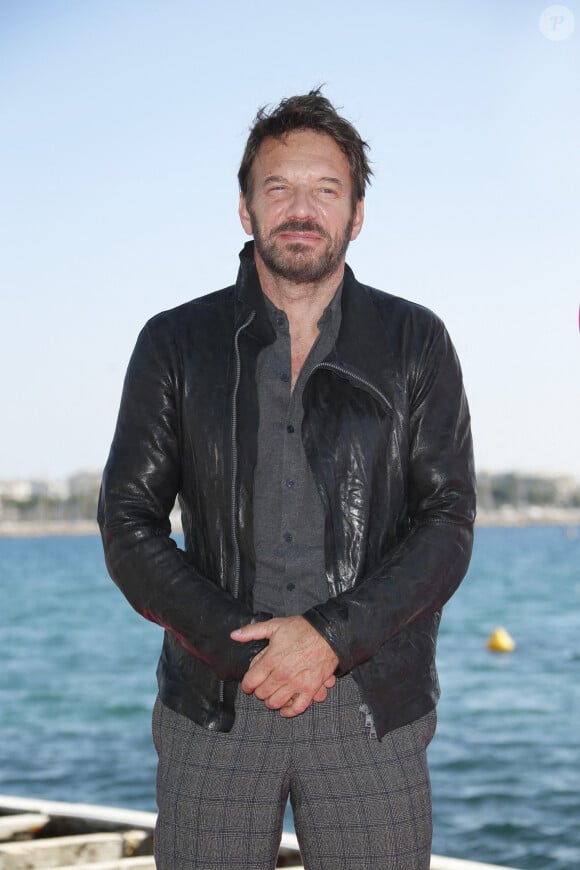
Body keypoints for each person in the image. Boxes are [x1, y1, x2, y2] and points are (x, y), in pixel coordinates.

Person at [98, 89, 476, 870]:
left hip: (370, 701)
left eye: (325, 190)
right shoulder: (174, 343)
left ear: (356, 214)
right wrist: (244, 650)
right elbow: (128, 520)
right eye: (278, 189)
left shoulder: (417, 341)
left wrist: (330, 641)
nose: (301, 209)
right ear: (245, 208)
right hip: (217, 700)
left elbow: (447, 521)